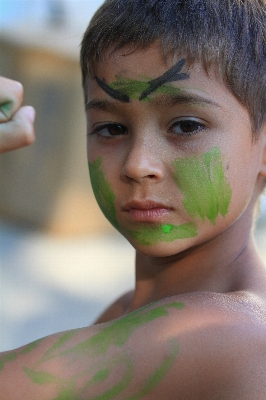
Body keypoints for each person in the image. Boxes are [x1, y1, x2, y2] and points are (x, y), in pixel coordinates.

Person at [1, 0, 266, 398]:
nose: (138, 165)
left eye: (186, 125)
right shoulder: (126, 310)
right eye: (111, 128)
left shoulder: (227, 332)